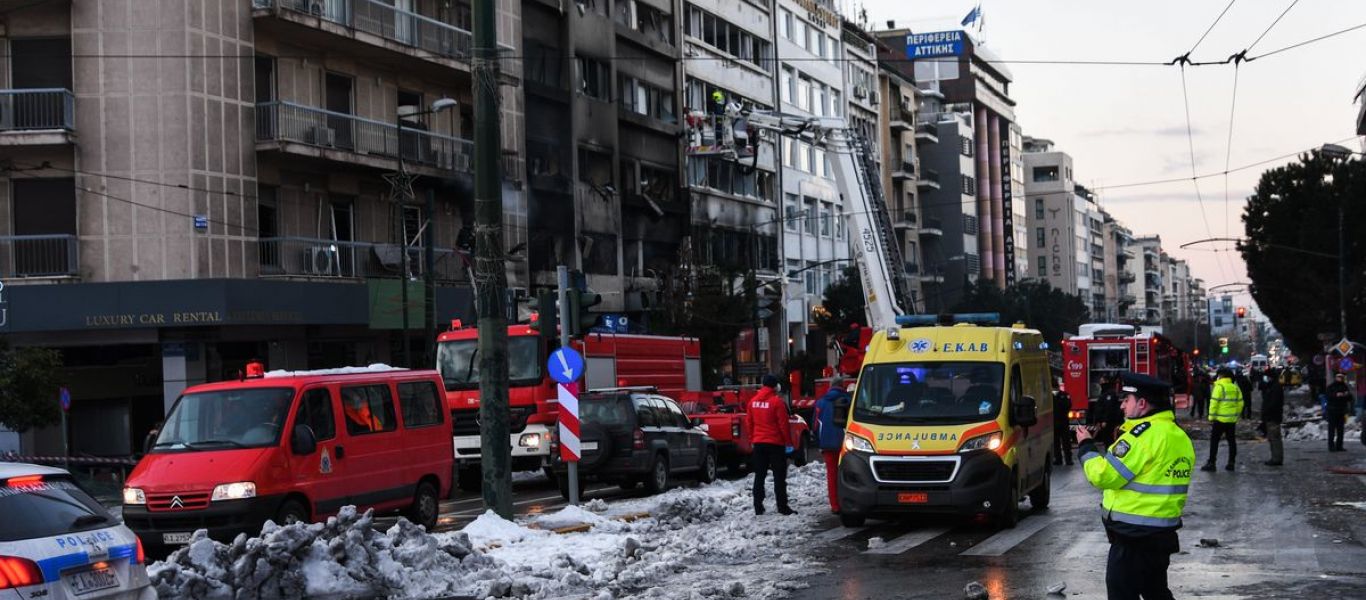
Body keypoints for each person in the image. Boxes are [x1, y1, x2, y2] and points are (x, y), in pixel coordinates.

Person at [1074, 372, 1195, 600]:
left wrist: (1086, 446)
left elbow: (1103, 476)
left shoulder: (1141, 437)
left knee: (1122, 592)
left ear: (1141, 403)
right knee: (1155, 591)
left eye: (1126, 400)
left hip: (1133, 536)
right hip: (1161, 533)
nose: (1121, 406)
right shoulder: (1178, 436)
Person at [746, 374, 795, 516]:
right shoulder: (777, 402)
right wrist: (788, 443)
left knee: (759, 476)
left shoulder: (752, 402)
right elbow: (783, 425)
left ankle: (758, 506)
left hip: (759, 443)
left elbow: (749, 423)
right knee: (779, 476)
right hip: (775, 444)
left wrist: (752, 440)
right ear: (774, 386)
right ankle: (782, 506)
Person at [812, 376, 851, 513]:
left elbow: (815, 425)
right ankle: (849, 501)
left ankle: (835, 505)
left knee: (832, 474)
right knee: (849, 473)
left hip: (827, 444)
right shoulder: (849, 400)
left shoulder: (821, 402)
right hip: (847, 444)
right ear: (842, 386)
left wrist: (819, 441)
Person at [1202, 367, 1244, 472]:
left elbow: (1214, 403)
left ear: (1222, 376)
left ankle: (1212, 463)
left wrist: (1211, 417)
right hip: (1231, 421)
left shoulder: (1219, 387)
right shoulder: (1235, 388)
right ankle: (1231, 463)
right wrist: (1236, 415)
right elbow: (1240, 403)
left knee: (1214, 441)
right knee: (1231, 441)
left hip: (1219, 420)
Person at [1260, 368, 1286, 466]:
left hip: (1273, 416)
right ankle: (1275, 457)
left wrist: (1267, 412)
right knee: (1273, 438)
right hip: (1272, 416)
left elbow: (1273, 403)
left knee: (1274, 438)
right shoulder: (1272, 386)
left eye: (1266, 377)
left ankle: (1276, 458)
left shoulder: (1275, 387)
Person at [1325, 372, 1353, 452]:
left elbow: (1350, 398)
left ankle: (1339, 446)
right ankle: (1331, 446)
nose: (1340, 378)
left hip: (1341, 411)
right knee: (1332, 430)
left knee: (1340, 430)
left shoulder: (1345, 386)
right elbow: (1328, 396)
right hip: (1332, 411)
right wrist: (1336, 395)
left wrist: (1346, 395)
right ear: (1336, 378)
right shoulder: (1331, 387)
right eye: (1339, 377)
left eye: (1341, 377)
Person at [1053, 386, 1074, 466]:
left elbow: (1068, 405)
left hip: (1061, 422)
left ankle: (1065, 459)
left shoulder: (1064, 395)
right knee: (1059, 442)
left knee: (1064, 442)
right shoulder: (1064, 395)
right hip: (1061, 422)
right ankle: (1062, 459)